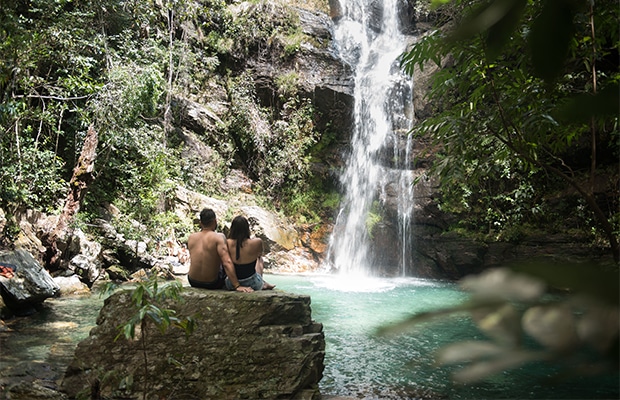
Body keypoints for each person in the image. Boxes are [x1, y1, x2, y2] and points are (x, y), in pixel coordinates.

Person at [187, 208, 252, 292]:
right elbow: (227, 262)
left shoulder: (191, 237)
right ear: (215, 221)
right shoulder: (219, 237)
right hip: (211, 283)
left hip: (192, 281)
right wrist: (237, 286)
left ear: (200, 223)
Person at [225, 215, 275, 291]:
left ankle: (263, 283)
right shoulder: (257, 242)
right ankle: (262, 283)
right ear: (247, 228)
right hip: (253, 283)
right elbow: (259, 254)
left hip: (231, 283)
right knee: (259, 259)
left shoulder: (227, 243)